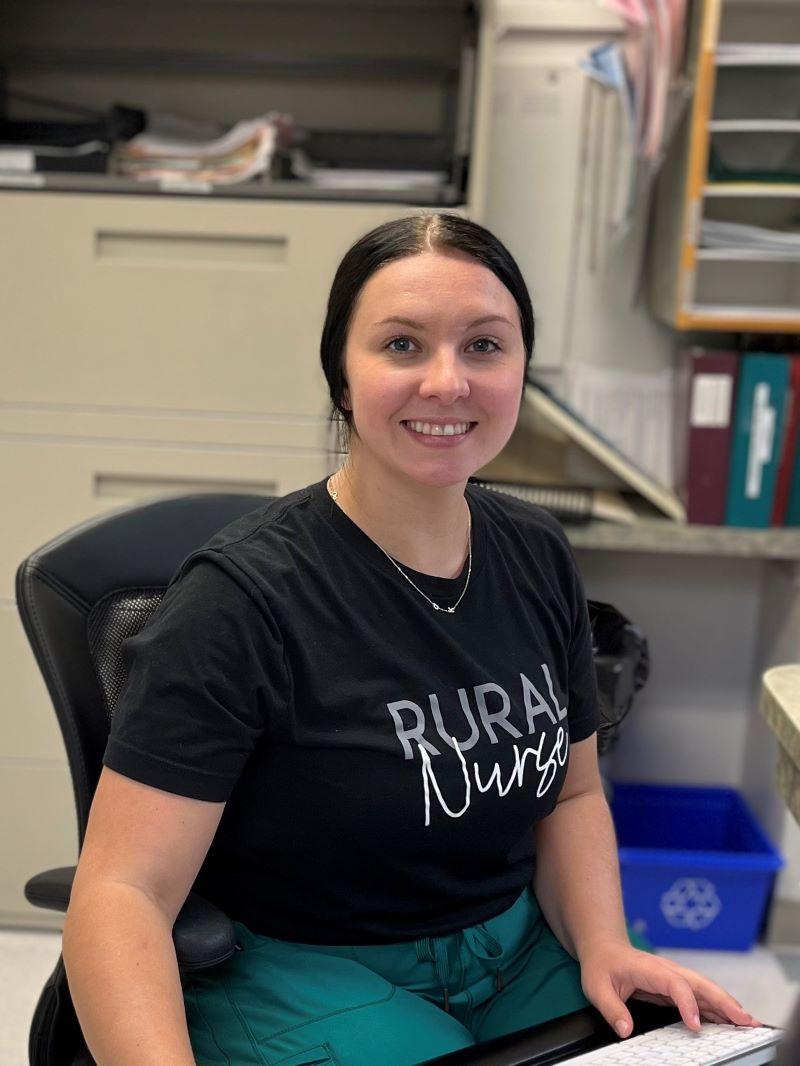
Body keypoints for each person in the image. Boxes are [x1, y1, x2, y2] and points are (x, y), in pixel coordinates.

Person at [62, 214, 760, 1066]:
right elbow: (121, 892)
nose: (446, 382)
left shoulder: (537, 553)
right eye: (400, 345)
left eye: (484, 346)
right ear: (343, 380)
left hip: (511, 947)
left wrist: (606, 943)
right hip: (306, 967)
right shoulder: (239, 601)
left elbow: (572, 797)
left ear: (520, 372)